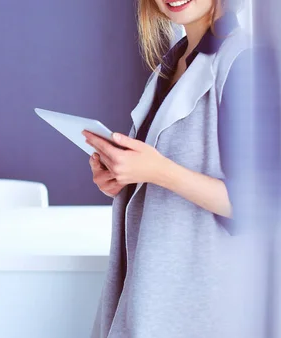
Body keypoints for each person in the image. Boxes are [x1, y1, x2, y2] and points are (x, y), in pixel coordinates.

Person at [83, 0, 280, 337]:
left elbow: (262, 203)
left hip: (200, 306)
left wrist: (158, 171)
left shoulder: (244, 62)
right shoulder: (174, 63)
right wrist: (121, 176)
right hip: (150, 292)